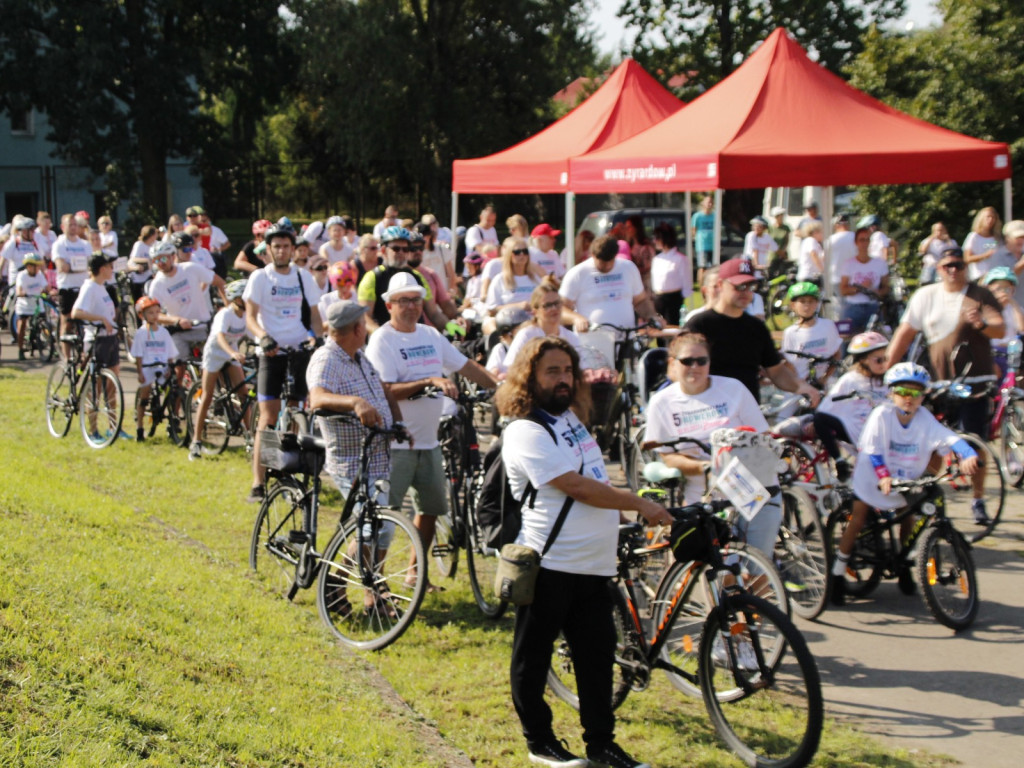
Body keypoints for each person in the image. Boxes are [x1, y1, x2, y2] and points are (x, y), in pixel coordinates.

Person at [497, 335, 672, 768]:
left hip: (594, 567)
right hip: (550, 566)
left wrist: (627, 518)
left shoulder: (573, 422)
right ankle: (539, 741)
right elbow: (575, 486)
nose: (563, 379)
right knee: (531, 660)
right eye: (551, 371)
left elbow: (596, 480)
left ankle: (601, 745)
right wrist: (639, 504)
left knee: (597, 662)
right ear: (530, 378)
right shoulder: (524, 430)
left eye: (567, 371)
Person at [364, 272, 498, 590]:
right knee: (385, 516)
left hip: (428, 441)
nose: (411, 306)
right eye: (403, 300)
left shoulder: (430, 334)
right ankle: (376, 582)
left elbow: (465, 365)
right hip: (394, 444)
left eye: (416, 299)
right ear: (389, 304)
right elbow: (383, 390)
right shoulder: (383, 339)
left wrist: (501, 387)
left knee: (431, 510)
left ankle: (415, 575)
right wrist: (428, 382)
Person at [830, 363, 978, 606]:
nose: (909, 399)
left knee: (907, 516)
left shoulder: (924, 417)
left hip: (904, 477)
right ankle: (838, 569)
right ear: (891, 393)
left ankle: (907, 563)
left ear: (923, 395)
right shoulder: (882, 415)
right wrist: (884, 475)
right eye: (903, 392)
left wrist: (968, 453)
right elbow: (873, 450)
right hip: (873, 477)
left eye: (916, 393)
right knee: (857, 518)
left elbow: (947, 437)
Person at [886, 247, 1002, 523]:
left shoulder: (979, 295)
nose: (953, 270)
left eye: (958, 265)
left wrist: (983, 324)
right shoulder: (926, 295)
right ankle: (928, 495)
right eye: (947, 265)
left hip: (973, 380)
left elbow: (1000, 329)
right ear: (938, 268)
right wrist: (886, 368)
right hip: (935, 380)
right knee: (929, 442)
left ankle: (978, 499)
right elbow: (905, 333)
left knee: (973, 443)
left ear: (965, 267)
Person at [644, 331, 782, 554]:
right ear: (673, 363)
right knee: (722, 570)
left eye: (701, 361)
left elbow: (763, 438)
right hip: (703, 495)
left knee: (758, 565)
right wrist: (706, 468)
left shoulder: (733, 389)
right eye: (687, 361)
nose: (695, 367)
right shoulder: (662, 402)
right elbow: (667, 455)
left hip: (748, 485)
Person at [243, 224, 323, 502]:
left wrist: (318, 338)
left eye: (286, 246)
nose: (281, 250)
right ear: (268, 250)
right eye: (276, 246)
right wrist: (263, 337)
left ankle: (289, 471)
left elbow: (314, 314)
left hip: (299, 348)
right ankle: (258, 481)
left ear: (293, 249)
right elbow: (250, 317)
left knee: (297, 414)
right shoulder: (260, 278)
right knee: (267, 416)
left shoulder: (303, 276)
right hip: (271, 352)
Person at [684, 258, 820, 405]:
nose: (746, 292)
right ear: (720, 285)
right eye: (739, 286)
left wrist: (801, 386)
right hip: (709, 409)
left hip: (747, 410)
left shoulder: (756, 327)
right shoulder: (700, 325)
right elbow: (679, 370)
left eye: (751, 286)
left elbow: (776, 371)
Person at [813, 331, 890, 478]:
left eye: (885, 359)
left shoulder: (888, 380)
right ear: (863, 360)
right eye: (878, 360)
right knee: (820, 418)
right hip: (856, 430)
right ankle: (840, 460)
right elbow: (827, 407)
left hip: (883, 432)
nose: (883, 365)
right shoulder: (850, 380)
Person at [188, 279, 251, 460]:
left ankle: (251, 438)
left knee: (244, 394)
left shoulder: (246, 315)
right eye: (245, 297)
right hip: (216, 353)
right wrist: (232, 352)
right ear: (236, 299)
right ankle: (196, 442)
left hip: (231, 354)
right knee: (207, 395)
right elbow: (220, 336)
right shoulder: (225, 314)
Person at [71, 253, 130, 440]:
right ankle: (93, 430)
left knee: (112, 385)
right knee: (94, 388)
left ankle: (114, 427)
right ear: (102, 268)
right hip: (97, 340)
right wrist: (101, 319)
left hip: (110, 339)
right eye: (110, 266)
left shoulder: (102, 287)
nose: (112, 269)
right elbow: (76, 312)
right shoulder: (89, 287)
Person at [560, 235, 664, 334]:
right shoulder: (578, 273)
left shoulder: (628, 268)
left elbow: (640, 301)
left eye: (610, 261)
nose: (607, 266)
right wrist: (576, 318)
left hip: (626, 338)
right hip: (592, 341)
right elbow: (560, 308)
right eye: (602, 262)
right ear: (592, 254)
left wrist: (652, 316)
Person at [356, 226, 446, 333]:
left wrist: (450, 326)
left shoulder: (417, 276)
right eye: (396, 249)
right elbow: (365, 317)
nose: (401, 253)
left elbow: (434, 313)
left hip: (416, 338)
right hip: (386, 340)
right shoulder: (372, 277)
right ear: (384, 250)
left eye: (406, 249)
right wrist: (380, 335)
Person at [147, 238, 225, 360]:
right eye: (156, 260)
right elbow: (154, 315)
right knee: (179, 367)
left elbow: (220, 282)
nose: (160, 263)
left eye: (163, 258)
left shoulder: (191, 269)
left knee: (217, 363)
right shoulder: (157, 284)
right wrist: (176, 320)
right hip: (179, 331)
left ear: (173, 257)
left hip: (203, 326)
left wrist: (228, 308)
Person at [131, 296, 178, 442]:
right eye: (150, 313)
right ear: (142, 315)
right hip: (147, 367)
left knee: (171, 392)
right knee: (144, 396)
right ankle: (140, 427)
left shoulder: (164, 332)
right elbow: (138, 355)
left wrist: (170, 365)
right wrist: (139, 372)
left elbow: (170, 352)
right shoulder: (141, 333)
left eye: (157, 312)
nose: (155, 315)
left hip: (162, 366)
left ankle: (172, 423)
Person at [781, 282, 841, 385]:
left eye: (811, 301)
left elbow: (836, 354)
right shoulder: (791, 333)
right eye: (802, 301)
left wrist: (825, 378)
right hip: (800, 384)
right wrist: (801, 383)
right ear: (793, 305)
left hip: (824, 383)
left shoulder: (828, 325)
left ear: (817, 303)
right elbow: (788, 363)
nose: (807, 306)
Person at [52, 213, 92, 354]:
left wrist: (73, 267)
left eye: (75, 225)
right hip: (67, 288)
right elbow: (62, 267)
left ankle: (83, 355)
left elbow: (91, 266)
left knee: (85, 322)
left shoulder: (85, 245)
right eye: (70, 225)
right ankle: (67, 357)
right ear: (63, 227)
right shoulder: (59, 244)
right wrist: (80, 267)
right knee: (67, 322)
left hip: (83, 287)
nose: (74, 228)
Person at [839, 227, 890, 336]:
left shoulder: (880, 263)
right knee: (846, 339)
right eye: (862, 240)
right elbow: (843, 290)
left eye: (867, 240)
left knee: (875, 340)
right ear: (856, 243)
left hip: (873, 306)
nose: (865, 243)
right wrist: (860, 287)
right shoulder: (848, 264)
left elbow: (886, 287)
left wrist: (878, 292)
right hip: (853, 306)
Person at [980, 266, 1024, 378]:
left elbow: (1022, 329)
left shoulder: (1016, 309)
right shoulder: (985, 310)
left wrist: (1013, 304)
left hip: (1013, 355)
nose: (1003, 292)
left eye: (1007, 289)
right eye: (998, 289)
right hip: (991, 354)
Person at [486, 236, 540, 317]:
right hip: (509, 323)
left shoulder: (536, 279)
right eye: (517, 252)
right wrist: (517, 306)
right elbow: (491, 310)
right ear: (509, 255)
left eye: (525, 251)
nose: (522, 254)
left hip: (534, 322)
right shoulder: (500, 279)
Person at [649, 222, 691, 325]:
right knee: (659, 329)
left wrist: (684, 302)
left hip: (673, 299)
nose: (655, 241)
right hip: (658, 299)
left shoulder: (680, 259)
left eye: (657, 238)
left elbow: (687, 282)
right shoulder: (657, 259)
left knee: (671, 327)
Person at [14, 253, 48, 360]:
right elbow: (19, 289)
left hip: (37, 304)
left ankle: (50, 343)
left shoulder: (39, 275)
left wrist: (47, 290)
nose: (38, 268)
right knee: (22, 326)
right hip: (24, 305)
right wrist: (21, 293)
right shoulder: (22, 275)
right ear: (29, 266)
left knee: (45, 325)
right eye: (35, 266)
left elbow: (46, 286)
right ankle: (20, 349)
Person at [962, 206, 1003, 282]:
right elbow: (967, 258)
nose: (990, 220)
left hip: (996, 276)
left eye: (993, 217)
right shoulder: (974, 237)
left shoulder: (997, 238)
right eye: (988, 217)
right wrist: (985, 255)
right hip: (979, 276)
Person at [319, 260, 358, 330]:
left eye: (348, 285)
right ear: (334, 284)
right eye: (340, 286)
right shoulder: (326, 300)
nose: (345, 289)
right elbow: (320, 327)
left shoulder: (359, 298)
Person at [918, 222, 957, 286]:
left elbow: (955, 252)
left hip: (944, 267)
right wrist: (931, 238)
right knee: (926, 284)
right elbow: (922, 251)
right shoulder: (928, 241)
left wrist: (948, 240)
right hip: (930, 266)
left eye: (941, 230)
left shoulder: (951, 242)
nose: (939, 232)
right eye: (937, 230)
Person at [828, 214, 857, 299]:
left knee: (841, 306)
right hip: (854, 278)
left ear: (835, 226)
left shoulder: (830, 240)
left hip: (836, 277)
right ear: (848, 225)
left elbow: (824, 259)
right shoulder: (857, 238)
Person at [126, 225, 158, 303]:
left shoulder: (155, 244)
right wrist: (147, 260)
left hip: (148, 275)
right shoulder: (139, 245)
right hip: (138, 276)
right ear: (151, 235)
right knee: (138, 299)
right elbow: (133, 258)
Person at [690, 194, 715, 285]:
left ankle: (710, 284)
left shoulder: (715, 216)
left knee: (713, 267)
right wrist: (698, 238)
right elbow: (693, 230)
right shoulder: (697, 216)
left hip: (713, 245)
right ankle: (701, 286)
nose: (709, 204)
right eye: (708, 202)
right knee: (702, 267)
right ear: (703, 204)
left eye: (711, 202)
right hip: (702, 245)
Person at [796, 220, 824, 285]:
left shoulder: (815, 243)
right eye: (821, 232)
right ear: (815, 232)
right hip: (809, 277)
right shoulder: (811, 240)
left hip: (812, 276)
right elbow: (813, 254)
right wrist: (822, 270)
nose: (823, 234)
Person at [767, 205, 791, 278]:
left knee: (782, 275)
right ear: (776, 217)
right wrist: (777, 251)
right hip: (773, 255)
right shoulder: (770, 228)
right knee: (771, 275)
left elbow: (787, 241)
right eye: (780, 215)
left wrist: (783, 252)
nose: (782, 217)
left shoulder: (786, 228)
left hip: (783, 255)